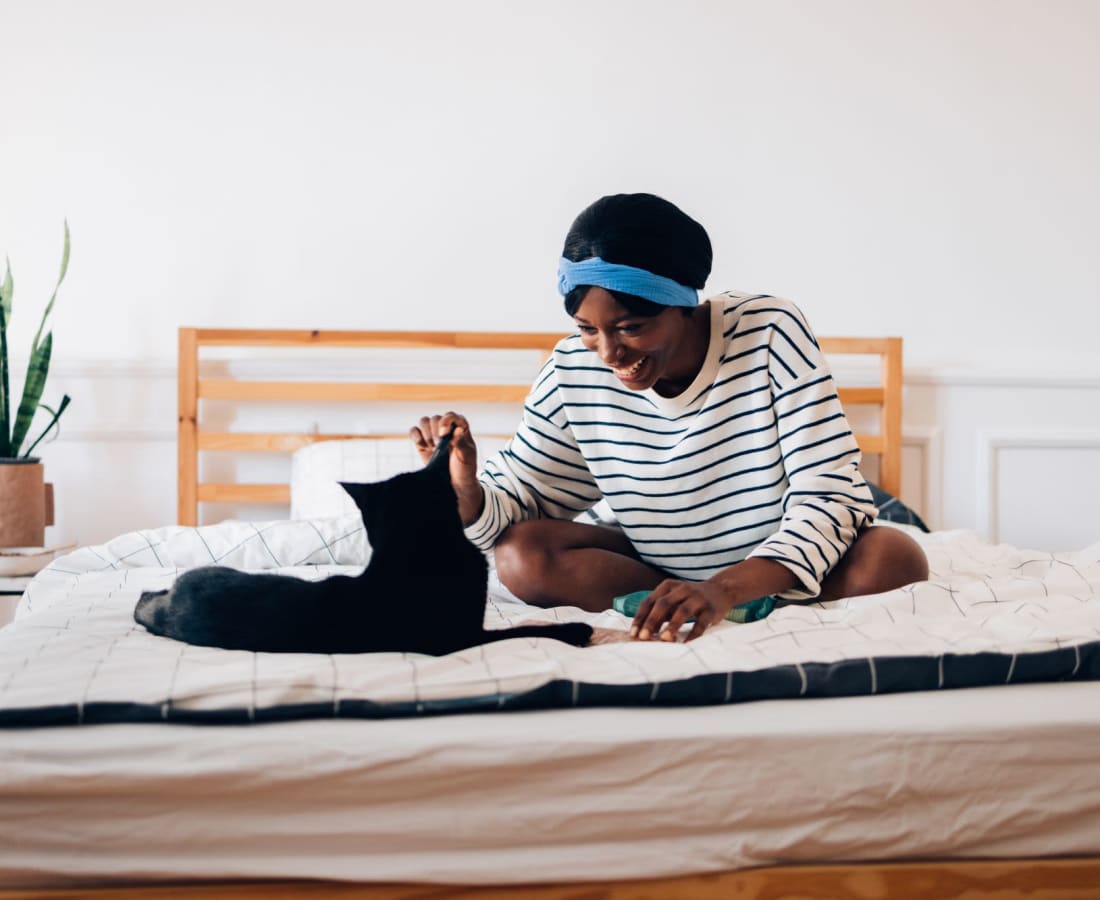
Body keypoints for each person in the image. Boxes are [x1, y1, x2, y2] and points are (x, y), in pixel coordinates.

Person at [410, 193, 929, 642]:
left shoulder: (769, 330)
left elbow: (830, 494)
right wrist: (467, 489)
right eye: (588, 329)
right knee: (521, 555)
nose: (608, 352)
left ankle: (741, 600)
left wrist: (725, 588)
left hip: (771, 567)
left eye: (631, 327)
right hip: (655, 566)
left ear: (682, 302)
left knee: (894, 557)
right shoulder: (573, 367)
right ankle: (677, 600)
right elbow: (524, 499)